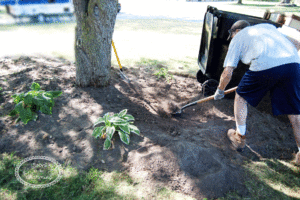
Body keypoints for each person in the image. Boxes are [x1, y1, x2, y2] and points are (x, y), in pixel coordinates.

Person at [213, 20, 300, 165]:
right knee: (295, 114)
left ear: (237, 31)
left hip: (265, 65)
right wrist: (282, 66)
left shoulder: (238, 38)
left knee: (240, 97)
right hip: (293, 65)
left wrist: (220, 90)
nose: (233, 39)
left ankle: (239, 138)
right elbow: (297, 44)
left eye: (232, 35)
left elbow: (227, 72)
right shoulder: (268, 28)